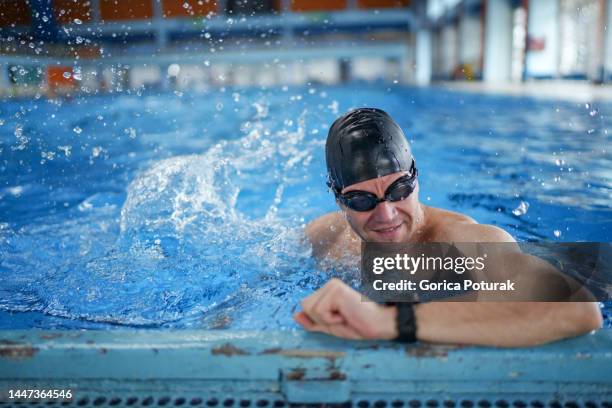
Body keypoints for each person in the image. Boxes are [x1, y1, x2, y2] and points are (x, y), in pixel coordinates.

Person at [294, 108, 602, 347]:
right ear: (339, 200)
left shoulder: (463, 242)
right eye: (362, 200)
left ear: (416, 180)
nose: (386, 214)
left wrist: (388, 321)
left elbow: (578, 308)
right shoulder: (326, 236)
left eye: (400, 188)